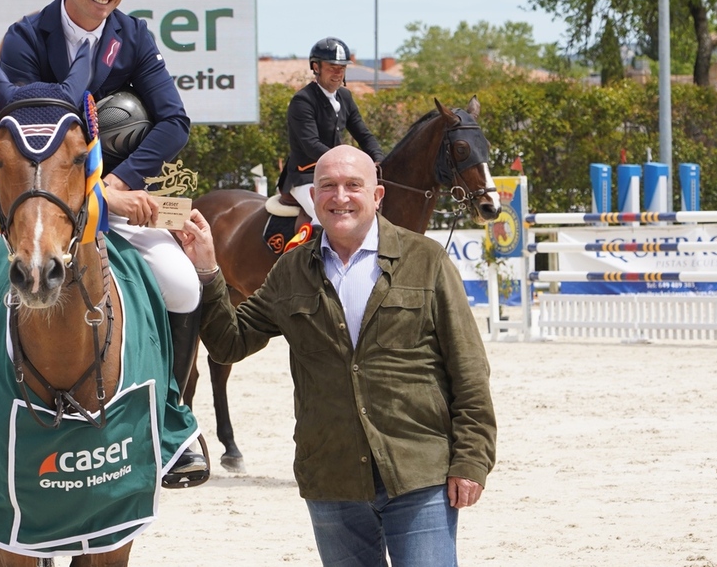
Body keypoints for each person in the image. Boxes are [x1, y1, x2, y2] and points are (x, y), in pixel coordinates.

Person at [0, 0, 207, 488]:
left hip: (115, 190)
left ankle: (175, 423)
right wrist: (103, 194)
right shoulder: (26, 38)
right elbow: (33, 129)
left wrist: (120, 185)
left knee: (184, 284)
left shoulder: (135, 36)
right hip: (32, 198)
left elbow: (174, 120)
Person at [177, 145, 496, 566]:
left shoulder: (428, 261)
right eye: (327, 186)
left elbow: (469, 369)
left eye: (353, 185)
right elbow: (229, 342)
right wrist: (207, 270)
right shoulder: (290, 269)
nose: (339, 196)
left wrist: (472, 460)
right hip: (331, 477)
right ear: (314, 197)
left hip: (419, 474)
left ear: (377, 195)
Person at [280, 37, 385, 243]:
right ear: (316, 67)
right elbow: (311, 145)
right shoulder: (303, 101)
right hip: (306, 176)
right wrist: (346, 165)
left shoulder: (344, 97)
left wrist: (379, 159)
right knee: (325, 218)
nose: (338, 73)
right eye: (332, 67)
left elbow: (363, 134)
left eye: (342, 68)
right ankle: (309, 268)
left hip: (339, 174)